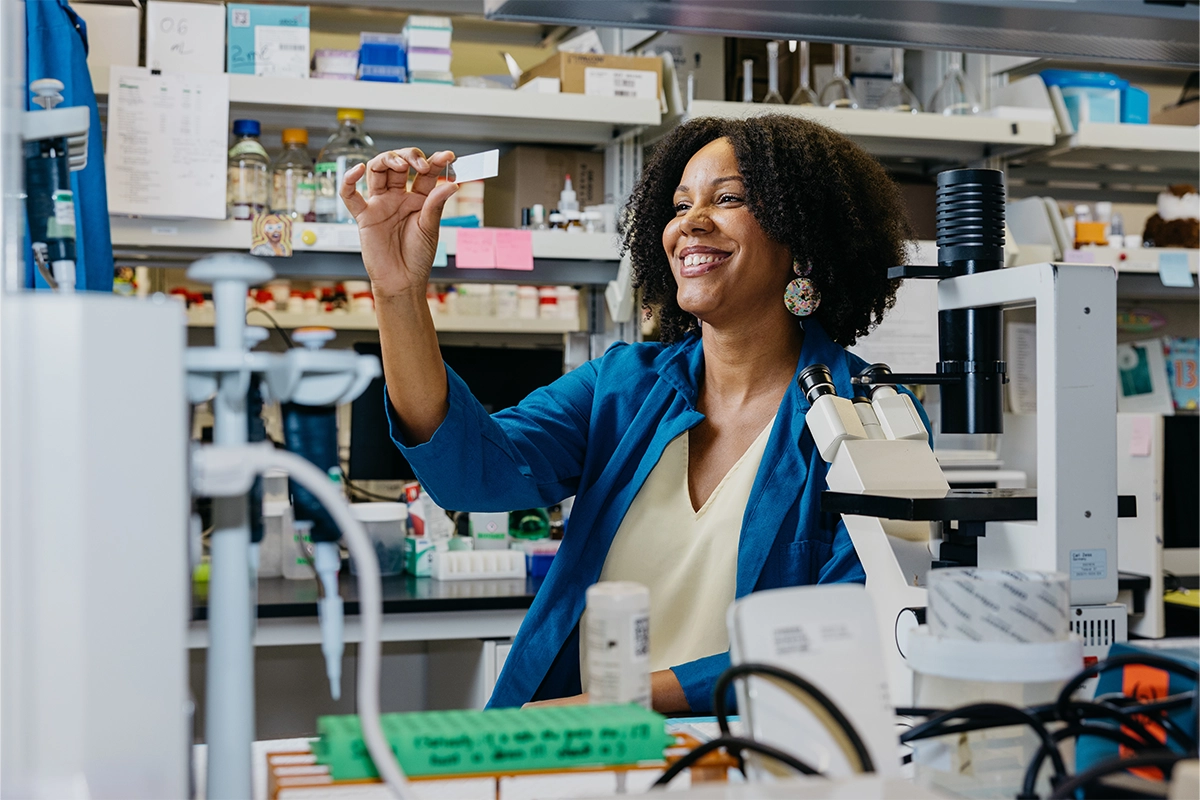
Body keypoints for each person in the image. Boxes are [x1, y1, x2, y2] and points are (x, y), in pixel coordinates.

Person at [341, 114, 923, 713]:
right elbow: (468, 473)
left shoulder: (865, 418)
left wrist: (625, 702)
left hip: (749, 761)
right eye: (678, 206)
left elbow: (856, 628)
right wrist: (398, 290)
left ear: (802, 237)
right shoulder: (623, 386)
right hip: (588, 753)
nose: (691, 223)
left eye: (728, 199)